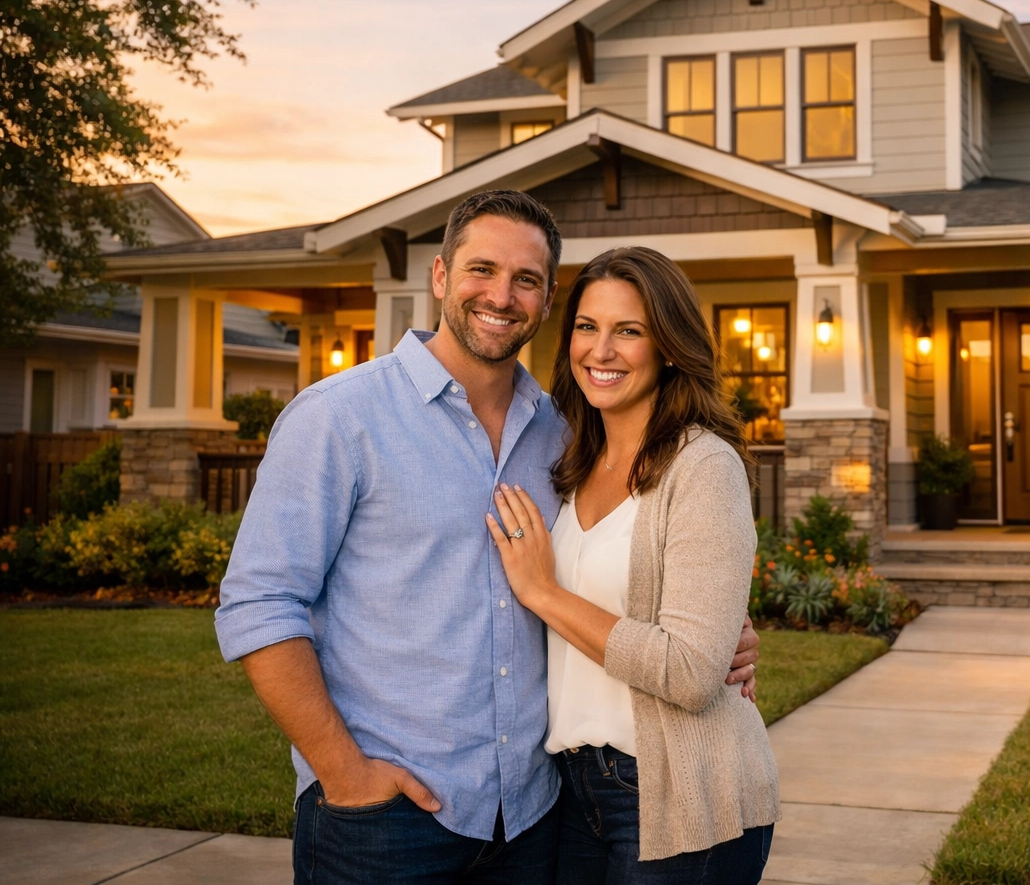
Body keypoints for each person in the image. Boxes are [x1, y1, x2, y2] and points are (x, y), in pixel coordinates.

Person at [214, 191, 758, 885]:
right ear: (440, 276)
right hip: (387, 819)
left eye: (525, 280)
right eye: (481, 270)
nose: (501, 295)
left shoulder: (564, 435)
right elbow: (259, 605)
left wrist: (719, 639)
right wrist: (344, 775)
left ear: (545, 298)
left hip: (533, 817)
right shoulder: (338, 418)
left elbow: (629, 565)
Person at [487, 246, 779, 885]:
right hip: (571, 787)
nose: (601, 350)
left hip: (675, 786)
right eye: (588, 327)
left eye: (629, 331)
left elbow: (690, 674)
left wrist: (543, 592)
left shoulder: (701, 466)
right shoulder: (570, 458)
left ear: (670, 346)